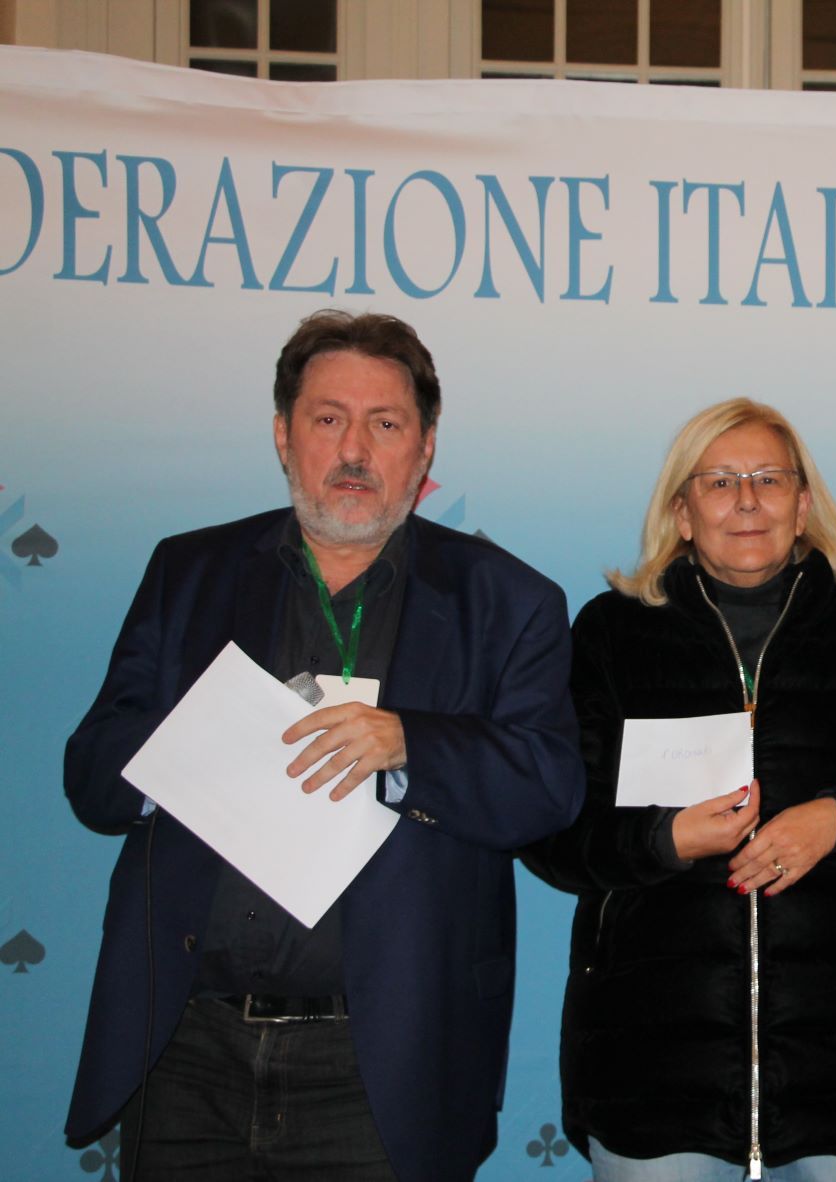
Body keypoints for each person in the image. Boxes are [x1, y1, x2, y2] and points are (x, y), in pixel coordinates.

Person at [62, 309, 585, 1181]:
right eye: (328, 419)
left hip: (385, 1062)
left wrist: (411, 745)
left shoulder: (509, 600)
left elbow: (549, 789)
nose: (354, 451)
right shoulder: (188, 572)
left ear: (424, 450)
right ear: (283, 435)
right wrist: (184, 749)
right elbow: (92, 778)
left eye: (385, 425)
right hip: (187, 1049)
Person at [522, 397, 836, 1182]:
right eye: (719, 481)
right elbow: (549, 828)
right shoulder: (611, 634)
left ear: (802, 507)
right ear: (681, 512)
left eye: (768, 479)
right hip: (653, 1074)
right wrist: (663, 839)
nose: (745, 500)